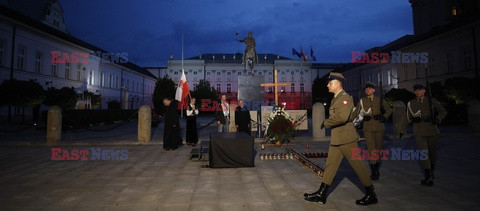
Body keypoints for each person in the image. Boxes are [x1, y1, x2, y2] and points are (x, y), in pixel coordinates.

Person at [304, 72, 377, 206]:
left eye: (330, 83)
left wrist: (325, 123)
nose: (327, 85)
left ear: (338, 84)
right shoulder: (336, 98)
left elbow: (342, 117)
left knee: (358, 166)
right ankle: (322, 194)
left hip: (346, 138)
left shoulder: (344, 97)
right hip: (338, 138)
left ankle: (371, 194)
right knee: (331, 166)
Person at [400, 84, 447, 186]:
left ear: (424, 91)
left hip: (432, 130)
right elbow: (407, 118)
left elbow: (443, 111)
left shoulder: (431, 101)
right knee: (423, 153)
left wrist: (438, 119)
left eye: (420, 90)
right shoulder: (411, 103)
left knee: (432, 154)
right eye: (416, 90)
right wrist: (402, 130)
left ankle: (431, 171)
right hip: (419, 131)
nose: (418, 92)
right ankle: (428, 176)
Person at [353, 82, 392, 180]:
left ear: (374, 90)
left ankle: (376, 168)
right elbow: (355, 113)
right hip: (368, 128)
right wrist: (346, 119)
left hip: (379, 127)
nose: (367, 90)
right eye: (366, 89)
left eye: (370, 89)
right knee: (371, 149)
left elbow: (389, 110)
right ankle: (374, 171)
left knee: (378, 150)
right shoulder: (362, 101)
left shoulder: (379, 100)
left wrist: (384, 117)